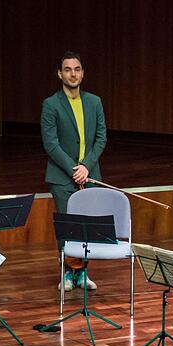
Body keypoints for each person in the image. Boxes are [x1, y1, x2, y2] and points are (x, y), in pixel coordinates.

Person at [41, 52, 107, 292]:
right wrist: (74, 170)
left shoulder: (94, 102)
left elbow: (101, 138)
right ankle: (68, 272)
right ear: (60, 74)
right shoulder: (51, 104)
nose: (73, 74)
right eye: (68, 69)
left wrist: (86, 166)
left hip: (89, 174)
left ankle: (83, 272)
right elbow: (51, 144)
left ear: (82, 73)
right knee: (68, 226)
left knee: (87, 225)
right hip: (62, 177)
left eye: (77, 69)